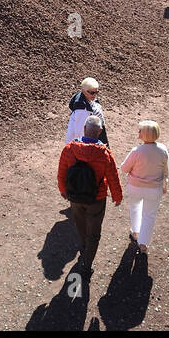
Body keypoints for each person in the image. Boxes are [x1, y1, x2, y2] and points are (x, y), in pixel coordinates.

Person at [58, 115, 123, 275]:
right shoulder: (105, 154)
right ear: (100, 132)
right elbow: (113, 176)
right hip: (97, 198)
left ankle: (83, 246)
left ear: (85, 129)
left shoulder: (69, 149)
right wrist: (117, 196)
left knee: (80, 224)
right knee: (94, 232)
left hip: (75, 197)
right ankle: (87, 265)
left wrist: (63, 190)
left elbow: (62, 172)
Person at [118, 120, 168, 254]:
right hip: (154, 189)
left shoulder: (136, 151)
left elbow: (124, 169)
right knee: (149, 216)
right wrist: (165, 183)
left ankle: (135, 232)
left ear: (144, 134)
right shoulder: (162, 150)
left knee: (135, 207)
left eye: (140, 131)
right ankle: (144, 243)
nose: (138, 132)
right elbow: (165, 169)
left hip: (135, 187)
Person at [65, 77, 110, 146]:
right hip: (82, 146)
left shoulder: (88, 98)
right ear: (83, 91)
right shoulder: (82, 110)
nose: (94, 95)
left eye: (96, 92)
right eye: (92, 93)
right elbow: (80, 133)